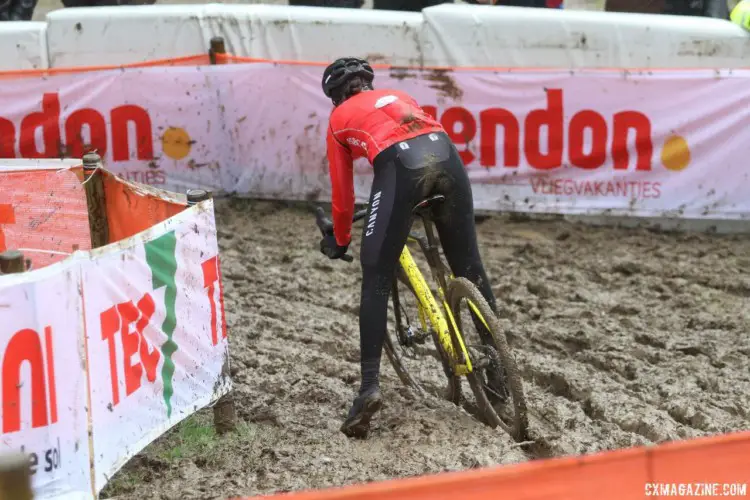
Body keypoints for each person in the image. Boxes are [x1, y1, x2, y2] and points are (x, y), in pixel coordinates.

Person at [318, 57, 503, 438]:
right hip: (447, 160)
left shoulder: (338, 120)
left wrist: (339, 240)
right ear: (367, 84)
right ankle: (499, 370)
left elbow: (342, 196)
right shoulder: (398, 94)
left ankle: (368, 387)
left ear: (336, 96)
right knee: (470, 265)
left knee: (376, 277)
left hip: (401, 169)